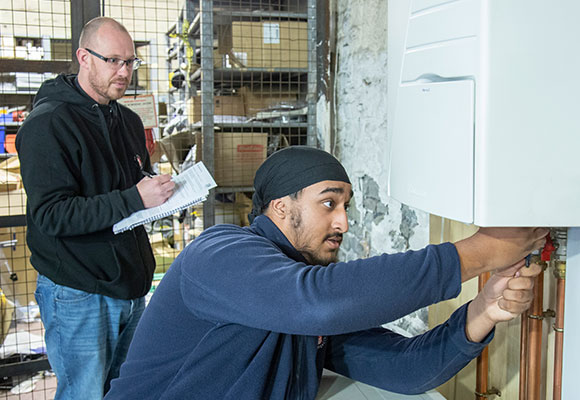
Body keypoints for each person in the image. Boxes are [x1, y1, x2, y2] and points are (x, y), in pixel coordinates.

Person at [105, 146, 548, 399]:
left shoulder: (302, 308)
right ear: (281, 206)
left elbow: (405, 369)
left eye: (346, 207)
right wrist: (477, 252)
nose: (344, 222)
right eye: (328, 203)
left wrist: (482, 313)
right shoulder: (220, 253)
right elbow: (316, 300)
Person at [16, 17, 175, 399]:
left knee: (123, 389)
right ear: (83, 58)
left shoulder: (128, 120)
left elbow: (131, 186)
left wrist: (162, 192)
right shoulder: (49, 124)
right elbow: (52, 215)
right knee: (83, 393)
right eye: (113, 61)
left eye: (130, 62)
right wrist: (136, 198)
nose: (124, 72)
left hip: (130, 284)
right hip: (78, 289)